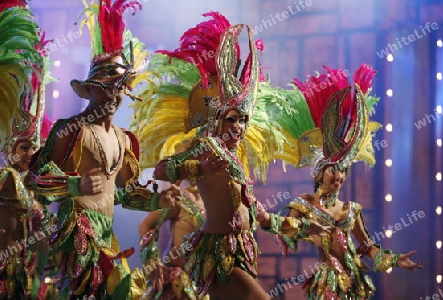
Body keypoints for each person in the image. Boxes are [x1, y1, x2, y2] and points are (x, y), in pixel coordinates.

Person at [131, 12, 330, 300]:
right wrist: (193, 166)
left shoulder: (237, 162)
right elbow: (163, 171)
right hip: (218, 253)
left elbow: (260, 216)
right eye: (232, 119)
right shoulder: (206, 147)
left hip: (241, 252)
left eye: (243, 120)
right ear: (218, 120)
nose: (238, 127)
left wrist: (304, 226)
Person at [28, 1, 182, 298]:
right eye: (105, 86)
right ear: (90, 89)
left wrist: (156, 200)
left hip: (105, 232)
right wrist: (76, 183)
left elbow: (122, 193)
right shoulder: (72, 130)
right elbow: (35, 180)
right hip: (78, 231)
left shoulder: (124, 140)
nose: (113, 94)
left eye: (119, 86)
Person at [275, 64, 423, 299]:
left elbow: (367, 248)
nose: (339, 176)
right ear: (318, 173)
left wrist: (395, 260)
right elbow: (281, 228)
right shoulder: (305, 204)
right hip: (327, 284)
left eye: (343, 169)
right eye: (333, 169)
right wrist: (306, 227)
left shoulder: (349, 210)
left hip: (354, 283)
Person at [0, 2, 58, 298]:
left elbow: (44, 236)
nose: (30, 154)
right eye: (25, 147)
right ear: (9, 148)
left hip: (25, 275)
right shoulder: (5, 179)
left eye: (34, 146)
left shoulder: (33, 186)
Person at [139, 179, 207, 299]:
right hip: (175, 283)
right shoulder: (180, 198)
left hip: (200, 284)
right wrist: (152, 260)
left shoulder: (214, 204)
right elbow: (146, 225)